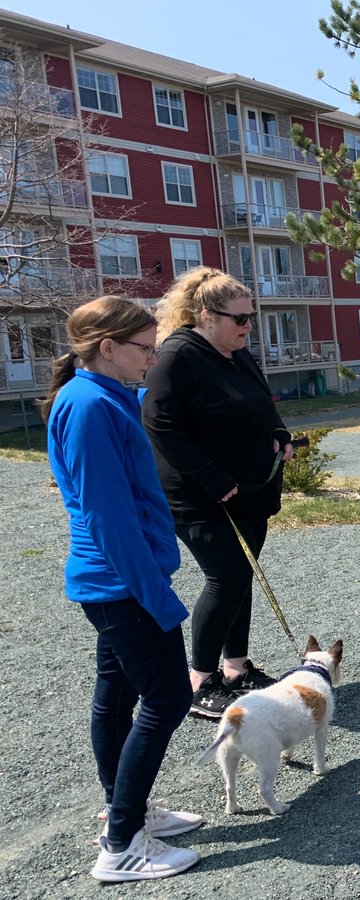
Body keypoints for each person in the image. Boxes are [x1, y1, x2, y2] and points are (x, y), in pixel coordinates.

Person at [42, 297, 202, 882]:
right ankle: (121, 846)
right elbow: (109, 519)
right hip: (119, 583)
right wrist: (156, 594)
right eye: (144, 347)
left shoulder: (108, 397)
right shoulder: (88, 406)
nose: (153, 357)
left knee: (116, 697)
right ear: (107, 348)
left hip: (121, 580)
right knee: (167, 699)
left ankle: (125, 810)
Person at [141, 267, 294, 719]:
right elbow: (160, 423)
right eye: (240, 319)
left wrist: (281, 433)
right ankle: (199, 681)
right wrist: (210, 476)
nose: (249, 326)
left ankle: (236, 668)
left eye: (252, 317)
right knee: (225, 578)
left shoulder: (237, 352)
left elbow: (263, 405)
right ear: (206, 315)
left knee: (243, 576)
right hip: (201, 496)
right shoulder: (178, 355)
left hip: (249, 489)